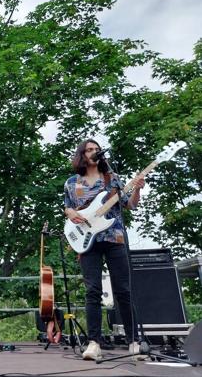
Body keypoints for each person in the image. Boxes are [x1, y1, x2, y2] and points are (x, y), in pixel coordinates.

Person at [64, 139, 145, 361]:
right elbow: (68, 207)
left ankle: (133, 342)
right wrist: (70, 213)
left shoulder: (112, 179)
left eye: (96, 149)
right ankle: (94, 343)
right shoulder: (72, 182)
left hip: (114, 236)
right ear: (82, 154)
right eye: (89, 150)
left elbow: (130, 205)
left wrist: (137, 189)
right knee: (92, 291)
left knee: (123, 290)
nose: (94, 152)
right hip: (87, 241)